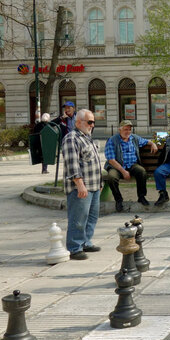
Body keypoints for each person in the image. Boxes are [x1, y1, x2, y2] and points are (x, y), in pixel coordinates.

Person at [61, 109, 102, 260]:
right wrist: (80, 184)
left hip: (94, 185)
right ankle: (74, 247)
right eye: (89, 122)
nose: (92, 125)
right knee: (78, 218)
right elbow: (72, 165)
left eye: (93, 122)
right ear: (78, 122)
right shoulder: (72, 138)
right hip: (81, 187)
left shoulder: (87, 137)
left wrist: (100, 183)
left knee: (91, 217)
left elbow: (95, 162)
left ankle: (86, 241)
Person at [103, 120, 158, 212]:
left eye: (129, 129)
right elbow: (111, 160)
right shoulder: (112, 140)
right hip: (116, 166)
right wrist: (123, 171)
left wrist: (153, 143)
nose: (128, 132)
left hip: (132, 165)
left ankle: (141, 196)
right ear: (119, 129)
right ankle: (118, 200)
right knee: (111, 177)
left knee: (141, 171)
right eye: (125, 129)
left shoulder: (134, 138)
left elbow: (145, 141)